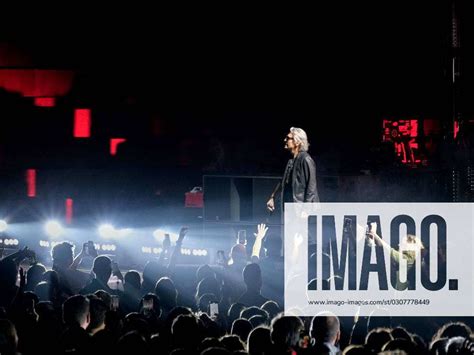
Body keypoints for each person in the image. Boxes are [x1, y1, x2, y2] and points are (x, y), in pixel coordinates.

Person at [266, 127, 318, 213]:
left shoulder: (306, 159)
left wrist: (306, 210)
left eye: (288, 138)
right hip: (291, 208)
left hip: (302, 211)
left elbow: (312, 186)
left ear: (297, 142)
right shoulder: (291, 161)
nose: (285, 140)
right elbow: (283, 182)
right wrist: (273, 197)